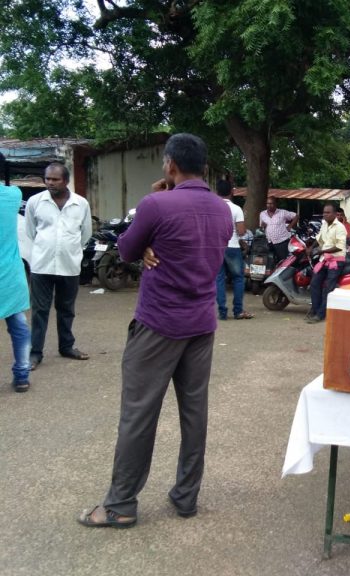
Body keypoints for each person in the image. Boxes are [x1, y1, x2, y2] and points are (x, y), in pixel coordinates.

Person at [77, 133, 233, 528]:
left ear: (169, 164)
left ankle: (120, 505)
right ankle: (186, 497)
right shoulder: (222, 210)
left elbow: (127, 251)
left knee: (138, 414)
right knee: (195, 413)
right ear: (204, 166)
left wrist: (147, 232)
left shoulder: (155, 204)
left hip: (159, 325)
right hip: (202, 324)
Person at [25, 162, 92, 370]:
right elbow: (31, 231)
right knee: (39, 311)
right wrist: (48, 246)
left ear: (66, 181)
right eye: (47, 179)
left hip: (69, 265)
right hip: (42, 266)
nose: (50, 183)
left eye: (55, 179)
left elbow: (86, 234)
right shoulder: (35, 202)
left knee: (66, 309)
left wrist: (69, 250)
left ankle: (67, 347)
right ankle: (35, 353)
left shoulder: (81, 204)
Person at [1, 162, 31, 393]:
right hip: (10, 273)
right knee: (18, 324)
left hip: (9, 272)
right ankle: (22, 374)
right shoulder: (14, 194)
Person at [215, 179, 253, 320]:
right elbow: (242, 231)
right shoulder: (237, 209)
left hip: (216, 247)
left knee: (219, 279)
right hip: (232, 246)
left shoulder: (212, 207)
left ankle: (222, 313)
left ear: (217, 192)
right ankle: (238, 311)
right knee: (238, 278)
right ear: (231, 192)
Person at [306, 203, 347, 324]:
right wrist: (310, 247)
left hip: (336, 261)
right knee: (314, 283)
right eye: (324, 212)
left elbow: (340, 247)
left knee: (328, 288)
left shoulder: (340, 227)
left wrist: (321, 251)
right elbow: (319, 239)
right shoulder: (324, 225)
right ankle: (315, 309)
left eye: (328, 212)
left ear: (334, 214)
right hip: (324, 260)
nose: (325, 214)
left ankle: (320, 314)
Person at [259, 196, 297, 263]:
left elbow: (296, 216)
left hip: (282, 241)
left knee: (283, 261)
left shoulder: (282, 212)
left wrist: (290, 226)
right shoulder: (262, 214)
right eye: (268, 203)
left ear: (276, 204)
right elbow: (262, 225)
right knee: (271, 261)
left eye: (271, 203)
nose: (269, 205)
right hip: (269, 242)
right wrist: (263, 226)